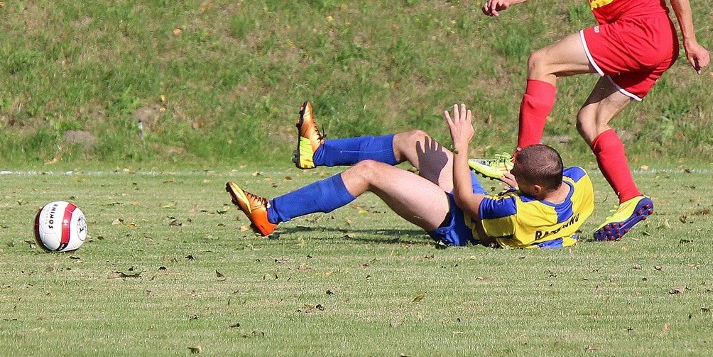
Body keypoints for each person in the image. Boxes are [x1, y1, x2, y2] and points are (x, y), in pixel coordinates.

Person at [480, 0, 711, 241]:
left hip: (642, 35)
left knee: (542, 62)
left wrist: (693, 42)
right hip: (653, 49)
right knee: (591, 120)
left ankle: (519, 161)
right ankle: (631, 199)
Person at [226, 101, 594, 249]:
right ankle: (318, 151)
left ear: (534, 186)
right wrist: (522, 188)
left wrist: (462, 145)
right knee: (415, 140)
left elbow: (468, 201)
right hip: (496, 203)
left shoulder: (515, 211)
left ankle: (270, 213)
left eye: (514, 167)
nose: (508, 167)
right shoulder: (577, 181)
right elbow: (554, 207)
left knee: (369, 173)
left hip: (463, 225)